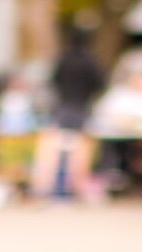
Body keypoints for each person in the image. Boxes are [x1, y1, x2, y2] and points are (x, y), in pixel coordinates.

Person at [31, 27, 106, 199]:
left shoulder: (63, 59)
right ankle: (75, 188)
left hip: (62, 108)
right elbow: (100, 84)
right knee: (80, 152)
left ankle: (47, 188)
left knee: (54, 151)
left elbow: (52, 82)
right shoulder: (90, 61)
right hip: (81, 108)